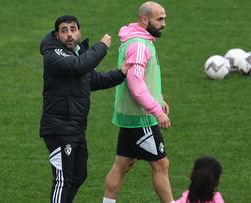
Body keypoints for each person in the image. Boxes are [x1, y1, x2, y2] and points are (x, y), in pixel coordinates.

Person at [39, 15, 128, 203]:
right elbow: (80, 67)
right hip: (59, 128)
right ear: (57, 35)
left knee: (78, 175)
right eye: (64, 31)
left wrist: (121, 73)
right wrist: (101, 46)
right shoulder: (53, 55)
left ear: (79, 32)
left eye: (73, 29)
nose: (69, 34)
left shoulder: (76, 55)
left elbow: (93, 80)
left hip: (76, 128)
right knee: (63, 181)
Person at [103, 2, 174, 203]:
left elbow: (140, 78)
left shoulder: (136, 40)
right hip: (141, 117)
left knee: (123, 163)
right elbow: (135, 85)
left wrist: (158, 97)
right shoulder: (140, 45)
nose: (163, 24)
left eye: (164, 19)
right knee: (161, 165)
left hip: (130, 115)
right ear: (144, 20)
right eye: (159, 19)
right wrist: (156, 111)